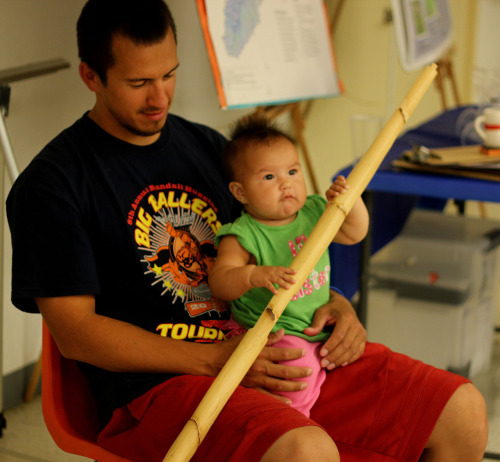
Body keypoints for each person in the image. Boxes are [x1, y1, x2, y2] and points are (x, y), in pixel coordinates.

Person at [5, 0, 488, 461]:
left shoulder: (212, 150)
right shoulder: (54, 184)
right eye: (138, 82)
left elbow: (280, 244)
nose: (160, 98)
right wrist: (214, 359)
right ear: (91, 75)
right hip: (159, 387)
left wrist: (335, 304)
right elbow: (77, 335)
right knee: (305, 450)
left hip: (281, 350)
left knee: (461, 411)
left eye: (170, 74)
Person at [208, 116, 369, 417]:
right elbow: (220, 281)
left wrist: (351, 202)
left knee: (353, 374)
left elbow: (354, 233)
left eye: (293, 171)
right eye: (269, 177)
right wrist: (253, 275)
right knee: (297, 377)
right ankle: (289, 425)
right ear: (240, 192)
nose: (286, 183)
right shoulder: (243, 233)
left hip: (314, 327)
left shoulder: (314, 211)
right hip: (275, 332)